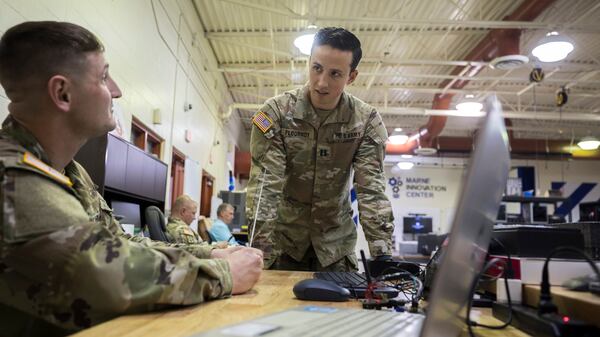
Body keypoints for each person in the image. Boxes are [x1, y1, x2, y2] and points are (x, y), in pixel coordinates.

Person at [0, 21, 263, 335]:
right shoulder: (12, 176)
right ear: (63, 93)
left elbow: (119, 243)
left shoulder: (70, 171)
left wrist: (208, 252)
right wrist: (222, 273)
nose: (116, 90)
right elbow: (99, 272)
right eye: (103, 77)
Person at [246, 27, 394, 271]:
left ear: (352, 76)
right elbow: (264, 187)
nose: (322, 82)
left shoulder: (366, 122)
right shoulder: (276, 114)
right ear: (309, 63)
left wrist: (382, 257)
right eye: (317, 68)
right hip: (284, 245)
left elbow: (371, 190)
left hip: (335, 247)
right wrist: (257, 252)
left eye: (335, 74)